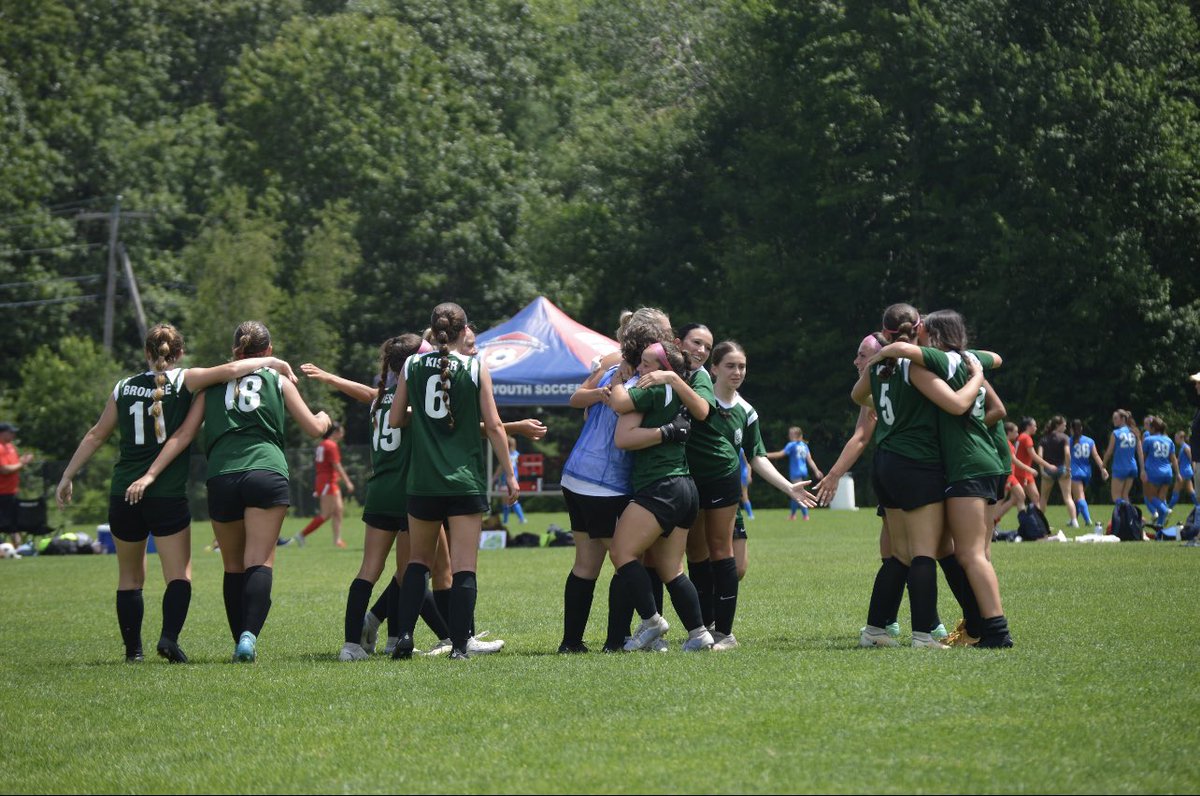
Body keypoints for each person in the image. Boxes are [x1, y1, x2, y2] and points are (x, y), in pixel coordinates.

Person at [56, 323, 298, 663]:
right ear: (179, 353)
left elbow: (96, 434)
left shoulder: (122, 387)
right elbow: (229, 371)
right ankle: (169, 638)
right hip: (165, 493)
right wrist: (272, 364)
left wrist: (68, 474)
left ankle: (133, 652)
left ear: (146, 352)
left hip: (123, 491)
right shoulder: (184, 379)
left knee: (129, 576)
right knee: (179, 576)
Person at [132, 321, 330, 663]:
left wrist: (150, 473)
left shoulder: (211, 386)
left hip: (222, 476)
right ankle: (248, 639)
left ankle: (239, 637)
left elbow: (184, 435)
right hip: (266, 472)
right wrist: (326, 419)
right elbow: (313, 428)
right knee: (260, 560)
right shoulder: (278, 380)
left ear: (235, 350)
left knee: (233, 565)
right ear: (267, 351)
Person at [871, 309, 1013, 648]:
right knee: (965, 550)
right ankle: (978, 624)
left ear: (931, 335)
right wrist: (977, 371)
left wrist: (881, 352)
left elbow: (955, 404)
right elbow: (996, 360)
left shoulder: (934, 359)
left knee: (968, 553)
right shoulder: (967, 358)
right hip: (981, 460)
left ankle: (993, 630)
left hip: (966, 463)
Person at [388, 302, 518, 661]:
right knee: (464, 566)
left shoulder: (412, 364)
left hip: (423, 481)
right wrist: (509, 473)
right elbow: (493, 426)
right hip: (464, 482)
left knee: (417, 562)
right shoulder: (475, 368)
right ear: (465, 332)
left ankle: (404, 636)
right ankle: (460, 646)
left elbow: (397, 419)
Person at [852, 304, 985, 649]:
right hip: (916, 463)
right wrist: (977, 378)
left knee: (901, 554)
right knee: (925, 552)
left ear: (885, 331)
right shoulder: (918, 365)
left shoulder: (881, 362)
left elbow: (856, 395)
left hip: (884, 463)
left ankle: (875, 630)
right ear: (919, 327)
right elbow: (957, 405)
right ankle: (925, 635)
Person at [558, 307, 669, 654]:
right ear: (651, 340)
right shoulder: (638, 373)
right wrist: (608, 391)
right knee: (626, 557)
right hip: (605, 482)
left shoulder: (610, 363)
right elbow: (589, 400)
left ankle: (571, 643)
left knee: (586, 564)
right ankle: (623, 637)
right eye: (665, 335)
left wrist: (603, 388)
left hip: (575, 475)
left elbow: (578, 398)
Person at [607, 338, 713, 652]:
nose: (641, 368)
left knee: (621, 554)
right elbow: (703, 410)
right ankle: (699, 633)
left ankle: (652, 620)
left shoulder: (653, 388)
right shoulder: (677, 390)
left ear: (663, 369)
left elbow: (619, 405)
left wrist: (618, 380)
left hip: (660, 486)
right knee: (672, 569)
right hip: (685, 488)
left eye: (647, 364)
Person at [291, 421, 355, 547]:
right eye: (341, 432)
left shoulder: (323, 444)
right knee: (326, 514)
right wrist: (347, 481)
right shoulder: (331, 445)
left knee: (338, 510)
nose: (342, 434)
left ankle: (337, 540)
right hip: (327, 482)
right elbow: (336, 465)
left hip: (327, 481)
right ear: (335, 432)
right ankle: (301, 535)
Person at [767, 426, 823, 520]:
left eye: (791, 434)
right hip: (803, 472)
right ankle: (794, 515)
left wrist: (765, 455)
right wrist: (816, 470)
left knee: (796, 493)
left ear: (796, 435)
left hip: (796, 472)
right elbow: (810, 460)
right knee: (796, 492)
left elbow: (781, 454)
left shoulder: (792, 445)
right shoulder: (804, 445)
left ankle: (805, 515)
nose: (789, 435)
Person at [1036, 416, 1076, 526]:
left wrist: (1042, 471)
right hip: (1062, 469)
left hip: (1048, 471)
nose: (1065, 427)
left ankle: (1040, 522)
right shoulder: (1065, 438)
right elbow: (1067, 454)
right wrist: (1068, 469)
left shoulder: (1044, 439)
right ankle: (1074, 521)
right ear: (1058, 425)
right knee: (1068, 497)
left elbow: (1039, 455)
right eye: (1064, 425)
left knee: (1043, 498)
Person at [1068, 419, 1108, 528]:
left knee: (1080, 497)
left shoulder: (1069, 441)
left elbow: (1066, 457)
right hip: (1087, 472)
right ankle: (1073, 519)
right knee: (1078, 497)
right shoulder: (1089, 441)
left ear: (1071, 429)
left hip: (1075, 471)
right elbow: (1096, 456)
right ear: (1081, 428)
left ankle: (1088, 520)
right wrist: (1103, 468)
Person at [1141, 415, 1179, 529]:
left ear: (1153, 429)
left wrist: (1142, 470)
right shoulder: (1169, 440)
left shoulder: (1148, 439)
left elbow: (1143, 457)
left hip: (1154, 472)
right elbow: (1173, 459)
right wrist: (1178, 474)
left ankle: (1165, 510)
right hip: (1167, 472)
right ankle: (1159, 530)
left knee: (1150, 496)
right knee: (1161, 498)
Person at [0, 422, 34, 547]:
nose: (13, 434)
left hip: (11, 491)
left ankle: (17, 549)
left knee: (14, 524)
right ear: (2, 433)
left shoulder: (10, 447)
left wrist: (22, 461)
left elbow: (14, 465)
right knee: (6, 523)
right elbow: (4, 469)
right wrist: (22, 464)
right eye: (10, 432)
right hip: (1, 492)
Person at [1102, 409, 1144, 504]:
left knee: (1116, 497)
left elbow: (1109, 452)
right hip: (1133, 467)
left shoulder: (1116, 433)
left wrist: (1103, 466)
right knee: (1125, 495)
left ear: (1123, 419)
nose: (1114, 420)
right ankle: (1128, 518)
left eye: (1116, 418)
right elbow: (1140, 453)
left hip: (1120, 467)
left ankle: (1134, 515)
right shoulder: (1135, 432)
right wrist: (1142, 469)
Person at [495, 436, 527, 525]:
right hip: (514, 479)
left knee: (507, 500)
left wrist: (494, 478)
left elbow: (500, 468)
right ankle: (511, 520)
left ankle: (516, 519)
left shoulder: (506, 455)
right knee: (509, 499)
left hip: (506, 480)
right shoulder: (516, 454)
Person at [1169, 430, 1196, 509]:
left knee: (1175, 491)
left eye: (1176, 438)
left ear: (1181, 438)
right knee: (1191, 491)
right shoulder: (1183, 448)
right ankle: (1198, 506)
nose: (1175, 439)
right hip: (1187, 472)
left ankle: (1168, 509)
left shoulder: (1186, 447)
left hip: (1184, 472)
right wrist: (1171, 464)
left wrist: (1194, 469)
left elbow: (1192, 459)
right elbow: (1179, 461)